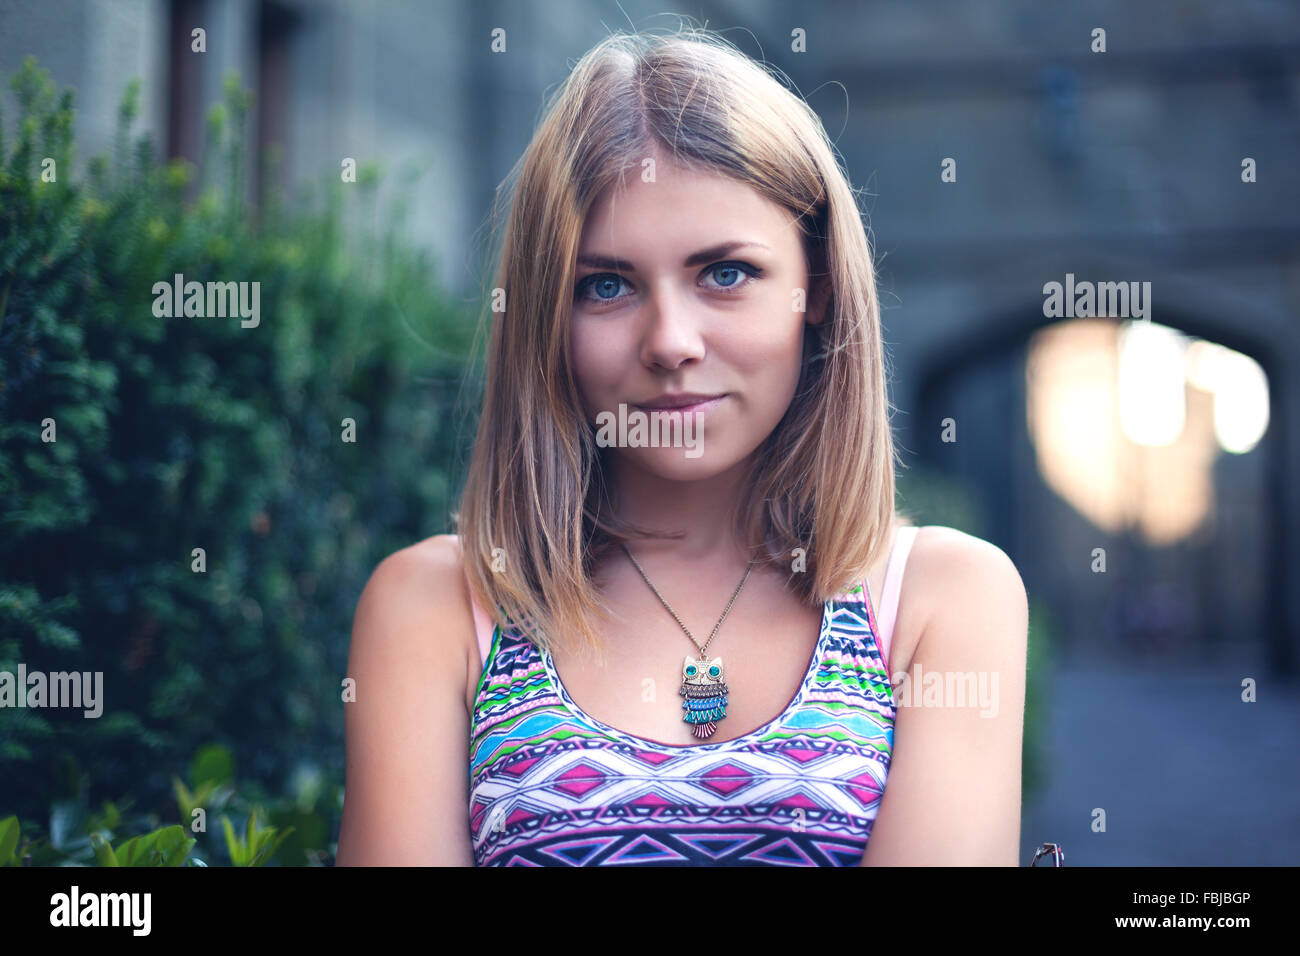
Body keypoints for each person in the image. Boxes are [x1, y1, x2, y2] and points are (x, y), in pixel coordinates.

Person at [336, 27, 1027, 867]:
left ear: (817, 288)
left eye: (725, 273)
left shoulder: (942, 602)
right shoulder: (436, 608)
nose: (670, 341)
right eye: (607, 286)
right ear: (549, 318)